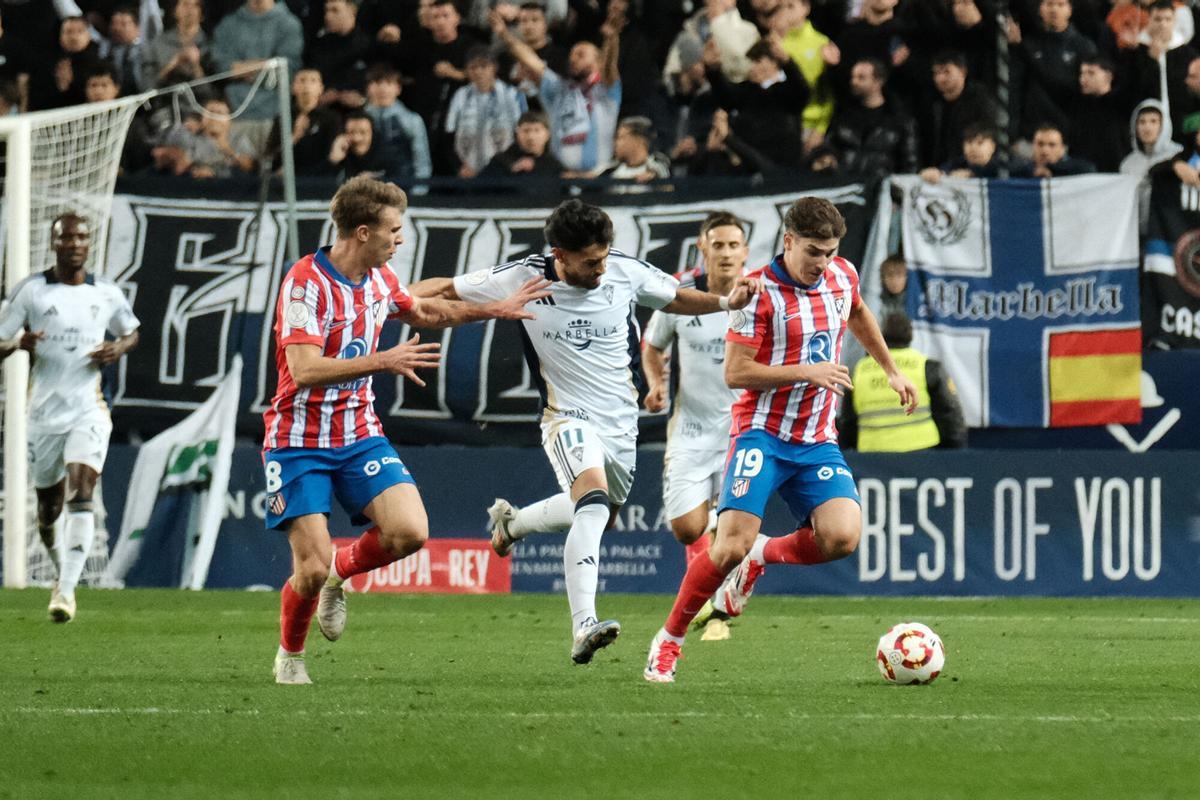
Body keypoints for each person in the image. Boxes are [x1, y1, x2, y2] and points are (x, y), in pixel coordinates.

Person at [410, 199, 760, 666]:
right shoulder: (522, 276)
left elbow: (673, 297)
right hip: (566, 415)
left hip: (621, 423)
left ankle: (512, 525)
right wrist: (385, 298)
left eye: (604, 256)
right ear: (559, 253)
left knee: (600, 513)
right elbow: (446, 288)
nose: (601, 267)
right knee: (592, 504)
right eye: (590, 261)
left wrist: (722, 302)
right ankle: (583, 625)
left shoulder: (622, 270)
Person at [263, 176, 549, 685]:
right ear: (363, 231)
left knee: (410, 533)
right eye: (395, 229)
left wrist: (493, 311)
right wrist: (384, 359)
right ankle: (290, 655)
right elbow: (304, 369)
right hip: (298, 440)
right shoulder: (305, 283)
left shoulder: (380, 278)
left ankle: (339, 573)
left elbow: (424, 309)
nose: (402, 238)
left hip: (358, 432)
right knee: (305, 571)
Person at [644, 197, 918, 683]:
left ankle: (762, 553)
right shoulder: (756, 292)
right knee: (726, 546)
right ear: (788, 241)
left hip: (816, 439)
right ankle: (669, 640)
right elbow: (736, 372)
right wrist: (805, 372)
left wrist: (892, 371)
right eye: (814, 251)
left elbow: (857, 313)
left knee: (842, 537)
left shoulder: (842, 275)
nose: (824, 263)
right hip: (761, 435)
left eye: (831, 251)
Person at [0, 214, 140, 623]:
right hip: (43, 412)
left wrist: (119, 348)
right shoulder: (31, 292)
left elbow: (132, 331)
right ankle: (60, 566)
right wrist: (17, 343)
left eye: (82, 236)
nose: (75, 243)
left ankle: (66, 591)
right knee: (49, 508)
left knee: (83, 488)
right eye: (67, 237)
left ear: (89, 244)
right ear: (53, 243)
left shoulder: (107, 294)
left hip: (88, 409)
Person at [641, 212, 749, 642]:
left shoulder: (759, 296)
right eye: (717, 245)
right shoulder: (679, 297)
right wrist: (655, 384)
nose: (725, 253)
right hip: (689, 429)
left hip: (743, 432)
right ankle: (716, 594)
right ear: (703, 248)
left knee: (732, 530)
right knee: (688, 527)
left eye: (733, 245)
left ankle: (717, 613)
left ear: (745, 252)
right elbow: (651, 348)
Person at [490, 4, 622, 173]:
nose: (573, 59)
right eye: (572, 55)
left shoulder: (605, 92)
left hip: (598, 178)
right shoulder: (559, 89)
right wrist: (504, 34)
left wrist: (612, 39)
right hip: (560, 179)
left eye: (581, 55)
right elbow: (532, 61)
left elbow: (610, 67)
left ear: (597, 61)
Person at [840, 313, 966, 451]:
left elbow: (848, 420)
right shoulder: (926, 366)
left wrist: (849, 451)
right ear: (910, 334)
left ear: (881, 335)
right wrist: (955, 449)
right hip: (922, 450)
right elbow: (948, 411)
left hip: (873, 455)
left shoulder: (859, 370)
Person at [479, 109, 565, 178]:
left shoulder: (555, 166)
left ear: (547, 134)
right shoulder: (500, 161)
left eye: (537, 130)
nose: (531, 136)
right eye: (526, 130)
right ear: (517, 134)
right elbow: (479, 188)